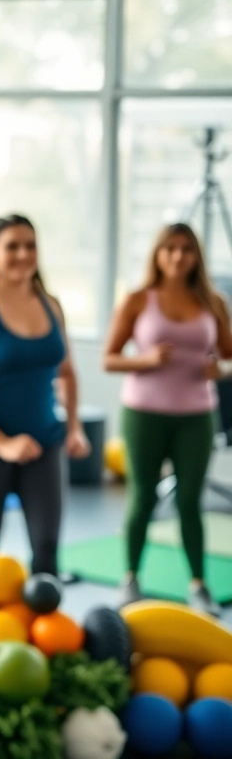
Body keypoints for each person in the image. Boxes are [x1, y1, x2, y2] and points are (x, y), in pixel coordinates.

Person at [0, 215, 90, 576]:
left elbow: (67, 373)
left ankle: (42, 631)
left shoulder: (50, 304)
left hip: (45, 443)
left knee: (46, 548)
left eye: (30, 245)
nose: (23, 254)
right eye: (12, 246)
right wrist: (2, 443)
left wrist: (74, 427)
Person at [103, 223, 232, 615]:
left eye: (186, 250)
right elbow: (109, 358)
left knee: (190, 502)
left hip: (196, 416)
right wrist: (145, 360)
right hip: (144, 414)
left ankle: (198, 586)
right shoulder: (138, 300)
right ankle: (130, 579)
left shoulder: (214, 302)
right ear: (158, 254)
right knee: (142, 497)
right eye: (170, 249)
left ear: (196, 257)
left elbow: (229, 358)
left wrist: (220, 371)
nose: (178, 257)